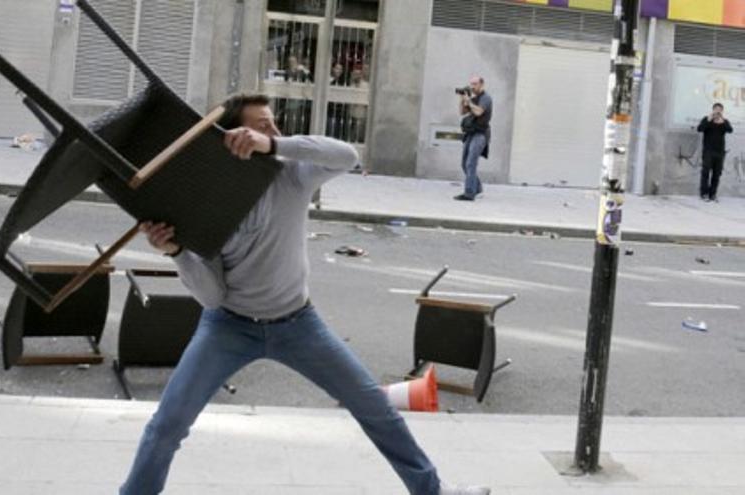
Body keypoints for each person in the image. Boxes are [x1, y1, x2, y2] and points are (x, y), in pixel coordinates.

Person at [120, 93, 490, 495]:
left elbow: (346, 156)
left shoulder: (291, 173)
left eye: (272, 123)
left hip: (298, 323)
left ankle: (431, 491)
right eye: (261, 126)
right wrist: (177, 253)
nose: (273, 131)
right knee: (167, 425)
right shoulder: (209, 201)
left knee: (376, 410)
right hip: (227, 327)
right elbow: (211, 295)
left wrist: (275, 144)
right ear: (231, 137)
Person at [455, 76, 492, 201]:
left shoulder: (485, 98)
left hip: (480, 134)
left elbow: (478, 112)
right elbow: (462, 112)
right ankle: (478, 188)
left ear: (482, 84)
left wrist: (469, 102)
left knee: (471, 163)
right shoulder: (473, 98)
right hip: (470, 133)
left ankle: (469, 193)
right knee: (464, 164)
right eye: (471, 84)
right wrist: (462, 99)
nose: (472, 86)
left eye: (475, 84)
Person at [697, 102, 733, 202]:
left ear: (722, 111)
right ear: (713, 110)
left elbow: (730, 130)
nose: (718, 111)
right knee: (705, 172)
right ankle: (704, 193)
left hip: (720, 152)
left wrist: (723, 122)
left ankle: (712, 194)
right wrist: (708, 120)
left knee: (717, 174)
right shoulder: (707, 119)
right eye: (716, 109)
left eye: (720, 109)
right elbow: (700, 129)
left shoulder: (724, 122)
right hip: (708, 151)